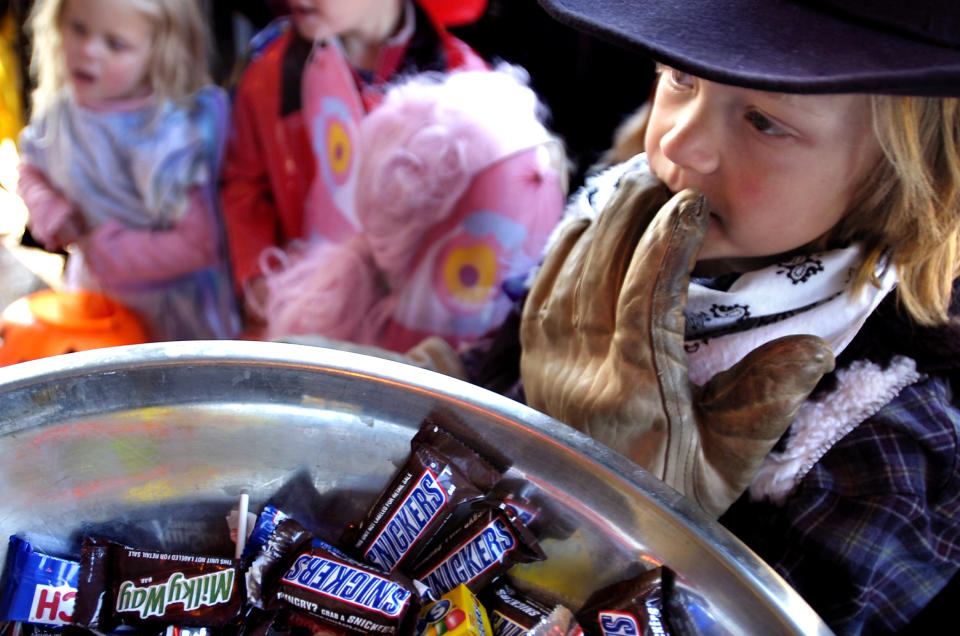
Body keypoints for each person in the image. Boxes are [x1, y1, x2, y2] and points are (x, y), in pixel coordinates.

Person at [386, 0, 960, 633]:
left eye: (764, 121)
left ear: (907, 171)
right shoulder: (614, 223)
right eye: (681, 77)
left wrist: (640, 531)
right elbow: (489, 382)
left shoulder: (883, 434)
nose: (680, 142)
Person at [219, 0, 487, 334]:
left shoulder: (467, 87)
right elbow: (244, 183)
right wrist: (257, 277)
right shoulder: (268, 75)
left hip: (407, 332)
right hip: (298, 318)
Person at [16, 0, 239, 342]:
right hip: (95, 301)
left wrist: (107, 251)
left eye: (115, 43)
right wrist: (49, 209)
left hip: (172, 318)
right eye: (78, 28)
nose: (88, 49)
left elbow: (200, 243)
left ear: (160, 52)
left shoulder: (170, 135)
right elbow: (31, 168)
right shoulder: (59, 115)